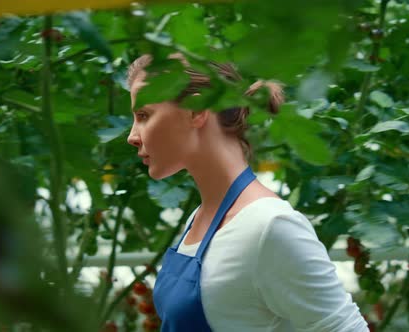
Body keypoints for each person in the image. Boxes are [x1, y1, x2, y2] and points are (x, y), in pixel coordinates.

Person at [126, 53, 370, 332]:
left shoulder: (269, 226)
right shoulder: (200, 219)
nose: (132, 135)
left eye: (143, 115)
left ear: (196, 110)